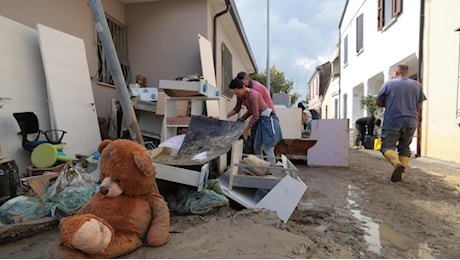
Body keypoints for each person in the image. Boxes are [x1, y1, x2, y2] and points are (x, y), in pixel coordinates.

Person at [376, 64, 426, 182]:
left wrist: (389, 103)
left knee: (387, 147)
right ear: (407, 72)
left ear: (396, 72)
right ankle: (401, 175)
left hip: (393, 120)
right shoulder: (417, 85)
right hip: (411, 121)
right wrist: (418, 118)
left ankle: (397, 164)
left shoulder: (389, 84)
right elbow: (419, 105)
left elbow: (378, 102)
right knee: (404, 148)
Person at [227, 78, 283, 165]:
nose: (236, 95)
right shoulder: (240, 96)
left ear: (243, 87)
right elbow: (237, 109)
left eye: (237, 93)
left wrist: (246, 130)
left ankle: (272, 169)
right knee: (257, 147)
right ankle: (260, 168)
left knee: (267, 146)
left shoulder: (253, 96)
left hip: (267, 119)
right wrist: (225, 116)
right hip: (259, 120)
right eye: (235, 94)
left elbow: (255, 115)